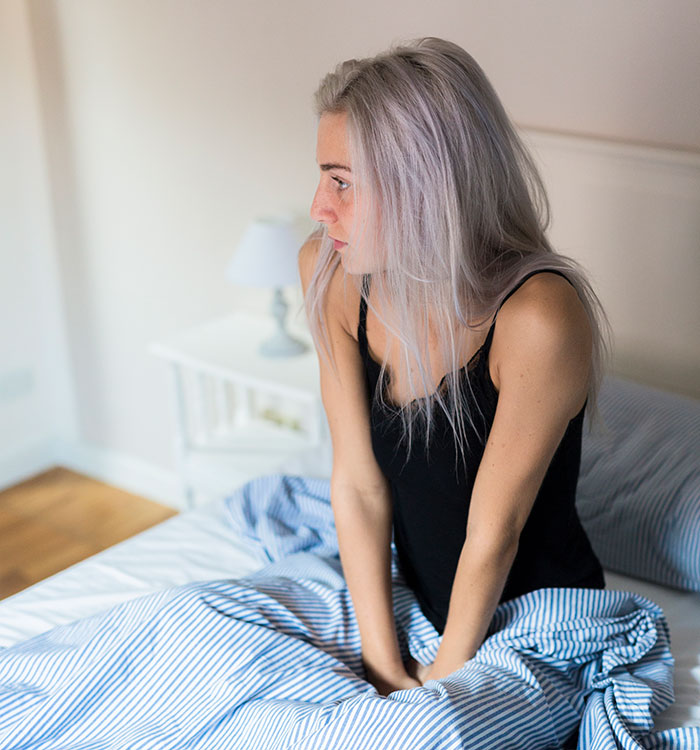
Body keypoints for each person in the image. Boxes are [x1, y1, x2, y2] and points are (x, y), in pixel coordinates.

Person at [298, 36, 611, 698]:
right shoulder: (329, 272)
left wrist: (440, 683)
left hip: (532, 616)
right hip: (408, 595)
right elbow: (356, 486)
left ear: (424, 185)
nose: (320, 208)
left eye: (343, 183)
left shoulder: (538, 318)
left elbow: (494, 532)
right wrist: (381, 665)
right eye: (325, 179)